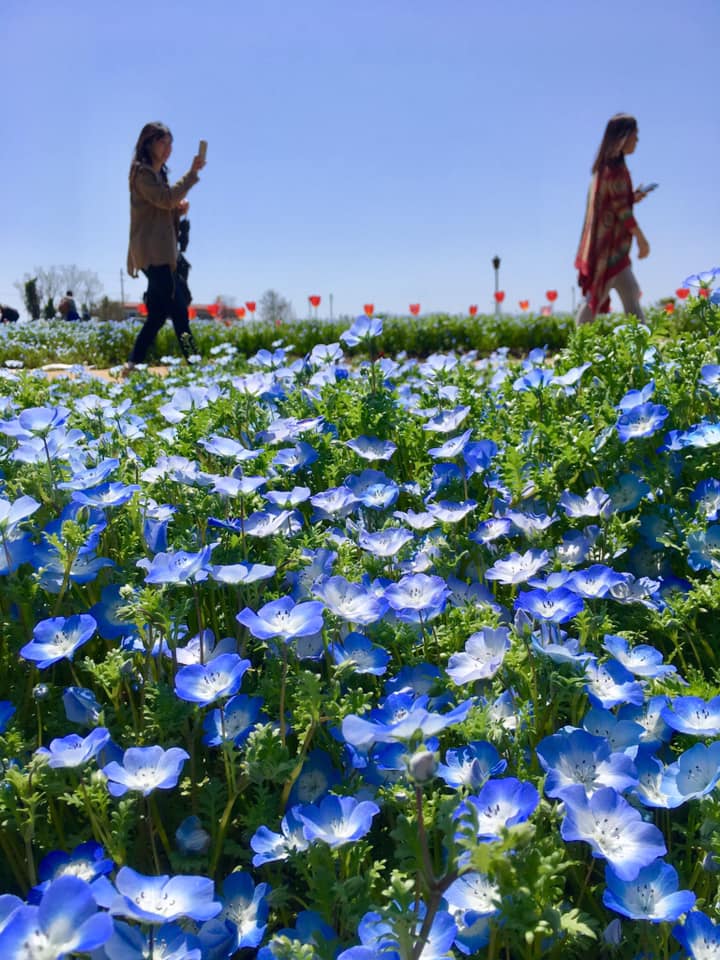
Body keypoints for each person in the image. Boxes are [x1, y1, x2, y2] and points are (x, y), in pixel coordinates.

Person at [124, 122, 206, 372]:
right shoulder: (142, 173)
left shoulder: (158, 176)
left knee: (158, 316)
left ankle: (132, 364)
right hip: (153, 254)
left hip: (162, 253)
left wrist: (177, 211)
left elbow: (164, 209)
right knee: (179, 309)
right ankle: (196, 365)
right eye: (163, 142)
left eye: (171, 143)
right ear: (148, 143)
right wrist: (192, 174)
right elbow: (166, 199)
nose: (168, 148)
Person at [575, 114, 650, 325]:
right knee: (596, 297)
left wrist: (632, 197)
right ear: (623, 136)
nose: (637, 140)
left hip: (611, 248)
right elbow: (621, 211)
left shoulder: (609, 168)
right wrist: (642, 240)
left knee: (629, 293)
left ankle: (644, 350)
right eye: (635, 135)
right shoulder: (614, 170)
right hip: (608, 251)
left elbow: (615, 203)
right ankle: (577, 347)